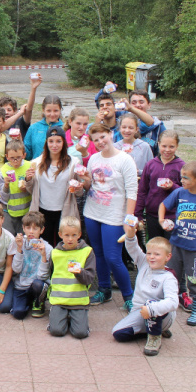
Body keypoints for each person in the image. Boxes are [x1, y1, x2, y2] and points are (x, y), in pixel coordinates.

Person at [80, 123, 138, 310]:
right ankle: (104, 289)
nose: (100, 142)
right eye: (96, 140)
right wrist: (84, 181)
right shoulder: (93, 159)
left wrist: (129, 218)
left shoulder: (125, 160)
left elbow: (132, 191)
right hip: (92, 213)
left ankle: (129, 296)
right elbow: (90, 186)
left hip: (114, 216)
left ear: (111, 134)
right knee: (98, 254)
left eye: (103, 137)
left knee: (113, 257)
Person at [158, 161, 196, 326]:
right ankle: (168, 305)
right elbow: (163, 205)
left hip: (195, 249)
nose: (182, 180)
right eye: (181, 177)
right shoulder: (179, 193)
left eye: (186, 178)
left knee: (195, 279)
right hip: (176, 245)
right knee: (171, 276)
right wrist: (162, 220)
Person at [112, 229, 178, 356]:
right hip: (140, 312)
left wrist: (151, 309)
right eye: (149, 253)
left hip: (160, 314)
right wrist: (130, 235)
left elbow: (173, 302)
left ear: (167, 257)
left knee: (150, 303)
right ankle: (153, 329)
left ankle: (154, 337)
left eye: (157, 254)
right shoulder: (144, 263)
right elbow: (133, 248)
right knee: (118, 333)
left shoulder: (168, 277)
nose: (151, 257)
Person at [24, 126, 82, 247]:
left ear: (64, 142)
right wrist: (28, 179)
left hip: (65, 210)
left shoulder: (74, 163)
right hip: (42, 210)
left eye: (58, 141)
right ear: (46, 143)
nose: (54, 145)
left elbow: (79, 192)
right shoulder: (36, 162)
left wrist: (79, 187)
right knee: (45, 245)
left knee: (65, 244)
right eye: (51, 141)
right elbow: (31, 190)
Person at [47, 216, 95, 339]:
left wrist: (79, 272)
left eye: (74, 235)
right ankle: (60, 318)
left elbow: (90, 279)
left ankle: (74, 320)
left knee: (81, 333)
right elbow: (50, 274)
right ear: (60, 234)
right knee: (56, 331)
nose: (70, 239)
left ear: (79, 234)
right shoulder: (54, 253)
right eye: (67, 235)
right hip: (59, 300)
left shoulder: (87, 252)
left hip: (78, 301)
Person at [136, 130, 184, 241]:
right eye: (164, 146)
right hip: (152, 214)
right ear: (158, 144)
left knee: (170, 246)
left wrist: (173, 186)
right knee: (155, 244)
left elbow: (186, 192)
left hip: (172, 215)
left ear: (177, 146)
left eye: (171, 147)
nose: (167, 150)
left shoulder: (181, 166)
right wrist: (138, 213)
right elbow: (142, 190)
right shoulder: (151, 164)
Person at [10, 211, 53, 319]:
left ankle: (39, 301)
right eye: (28, 228)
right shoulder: (18, 242)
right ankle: (29, 302)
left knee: (38, 284)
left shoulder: (47, 248)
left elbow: (42, 276)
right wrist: (19, 249)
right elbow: (16, 269)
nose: (31, 232)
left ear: (41, 230)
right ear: (23, 228)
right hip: (21, 286)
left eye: (35, 228)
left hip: (36, 284)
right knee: (18, 313)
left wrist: (43, 256)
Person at [0, 139, 32, 236]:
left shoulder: (29, 167)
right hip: (9, 211)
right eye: (12, 158)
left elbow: (35, 190)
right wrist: (6, 185)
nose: (15, 161)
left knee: (24, 237)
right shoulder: (3, 170)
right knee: (9, 237)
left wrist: (27, 184)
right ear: (7, 157)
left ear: (24, 155)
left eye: (18, 157)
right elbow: (3, 197)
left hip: (26, 210)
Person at [24, 95, 63, 161]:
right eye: (49, 111)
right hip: (37, 166)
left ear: (60, 110)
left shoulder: (65, 128)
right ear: (43, 110)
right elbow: (27, 155)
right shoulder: (34, 128)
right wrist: (19, 142)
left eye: (56, 111)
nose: (52, 114)